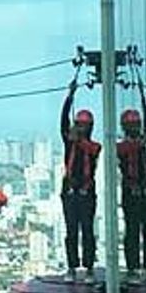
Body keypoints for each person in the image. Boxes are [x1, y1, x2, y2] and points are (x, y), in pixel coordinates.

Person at [60, 82, 101, 280]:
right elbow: (63, 121)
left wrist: (78, 139)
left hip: (86, 190)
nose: (80, 128)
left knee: (87, 230)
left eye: (84, 125)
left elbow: (91, 150)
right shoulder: (70, 141)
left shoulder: (93, 146)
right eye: (79, 124)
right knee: (71, 230)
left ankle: (89, 266)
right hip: (69, 190)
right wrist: (70, 96)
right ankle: (72, 266)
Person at [117, 84, 146, 280]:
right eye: (131, 125)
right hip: (134, 190)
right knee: (135, 230)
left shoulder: (140, 143)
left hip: (143, 189)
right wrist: (145, 98)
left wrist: (145, 98)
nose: (135, 128)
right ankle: (136, 268)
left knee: (144, 230)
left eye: (136, 124)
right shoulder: (125, 146)